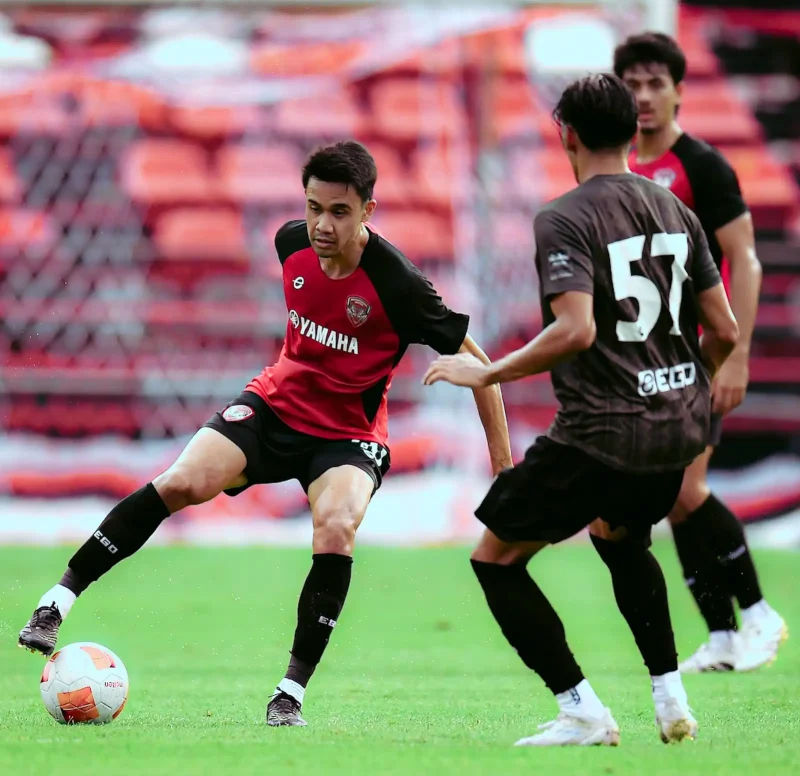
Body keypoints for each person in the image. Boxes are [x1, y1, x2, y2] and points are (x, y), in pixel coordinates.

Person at [19, 140, 513, 727]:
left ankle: (289, 695)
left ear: (368, 212)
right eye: (313, 207)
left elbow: (488, 375)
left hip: (347, 436)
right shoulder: (291, 244)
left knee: (336, 526)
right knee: (180, 481)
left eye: (338, 212)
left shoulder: (399, 286)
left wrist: (506, 478)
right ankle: (57, 601)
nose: (321, 225)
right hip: (275, 406)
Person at [424, 74, 739, 747]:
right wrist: (684, 389)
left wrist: (489, 370)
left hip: (602, 432)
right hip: (673, 433)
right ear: (633, 132)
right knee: (620, 536)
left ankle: (583, 711)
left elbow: (575, 331)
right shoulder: (678, 212)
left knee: (495, 560)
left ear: (566, 134)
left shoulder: (565, 217)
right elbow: (727, 329)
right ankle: (670, 697)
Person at [612, 32, 786, 673]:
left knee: (686, 489)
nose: (646, 96)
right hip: (647, 359)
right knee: (674, 495)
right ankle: (720, 635)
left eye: (657, 83)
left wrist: (733, 354)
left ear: (680, 90)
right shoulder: (618, 167)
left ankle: (760, 614)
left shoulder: (704, 166)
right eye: (634, 84)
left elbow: (746, 258)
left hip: (700, 354)